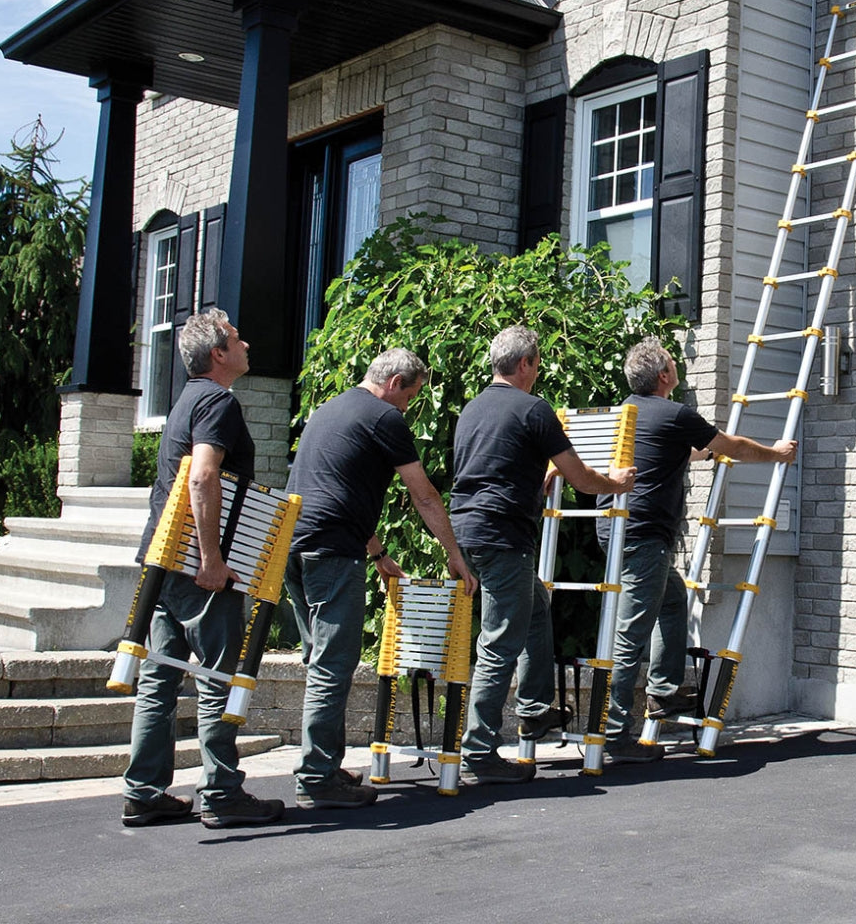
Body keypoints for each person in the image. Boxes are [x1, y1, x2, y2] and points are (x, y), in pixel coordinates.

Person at [285, 348, 476, 809]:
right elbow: (424, 495)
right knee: (333, 665)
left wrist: (379, 554)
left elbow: (334, 488)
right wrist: (455, 554)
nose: (407, 407)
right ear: (393, 384)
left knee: (319, 661)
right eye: (409, 396)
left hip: (292, 545)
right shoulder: (385, 418)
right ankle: (316, 779)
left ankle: (325, 764)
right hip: (332, 552)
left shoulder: (332, 407)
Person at [596, 336, 798, 763]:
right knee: (631, 634)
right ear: (665, 376)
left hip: (613, 529)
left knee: (671, 604)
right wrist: (776, 454)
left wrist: (699, 457)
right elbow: (733, 446)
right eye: (672, 364)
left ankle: (664, 694)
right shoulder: (675, 413)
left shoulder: (627, 414)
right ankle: (615, 736)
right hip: (644, 533)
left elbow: (662, 453)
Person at [451, 325, 636, 785]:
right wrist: (617, 483)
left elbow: (494, 467)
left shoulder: (473, 409)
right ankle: (479, 753)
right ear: (527, 364)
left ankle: (535, 709)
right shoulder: (535, 410)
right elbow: (581, 478)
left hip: (467, 532)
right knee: (499, 644)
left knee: (535, 606)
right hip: (502, 536)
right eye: (537, 363)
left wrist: (540, 474)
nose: (538, 371)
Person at [122, 309, 285, 829]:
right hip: (197, 564)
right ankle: (220, 792)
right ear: (219, 353)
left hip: (163, 560)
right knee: (219, 676)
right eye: (236, 338)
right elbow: (202, 476)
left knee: (161, 677)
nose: (246, 343)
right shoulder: (217, 400)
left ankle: (144, 792)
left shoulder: (187, 400)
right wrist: (213, 559)